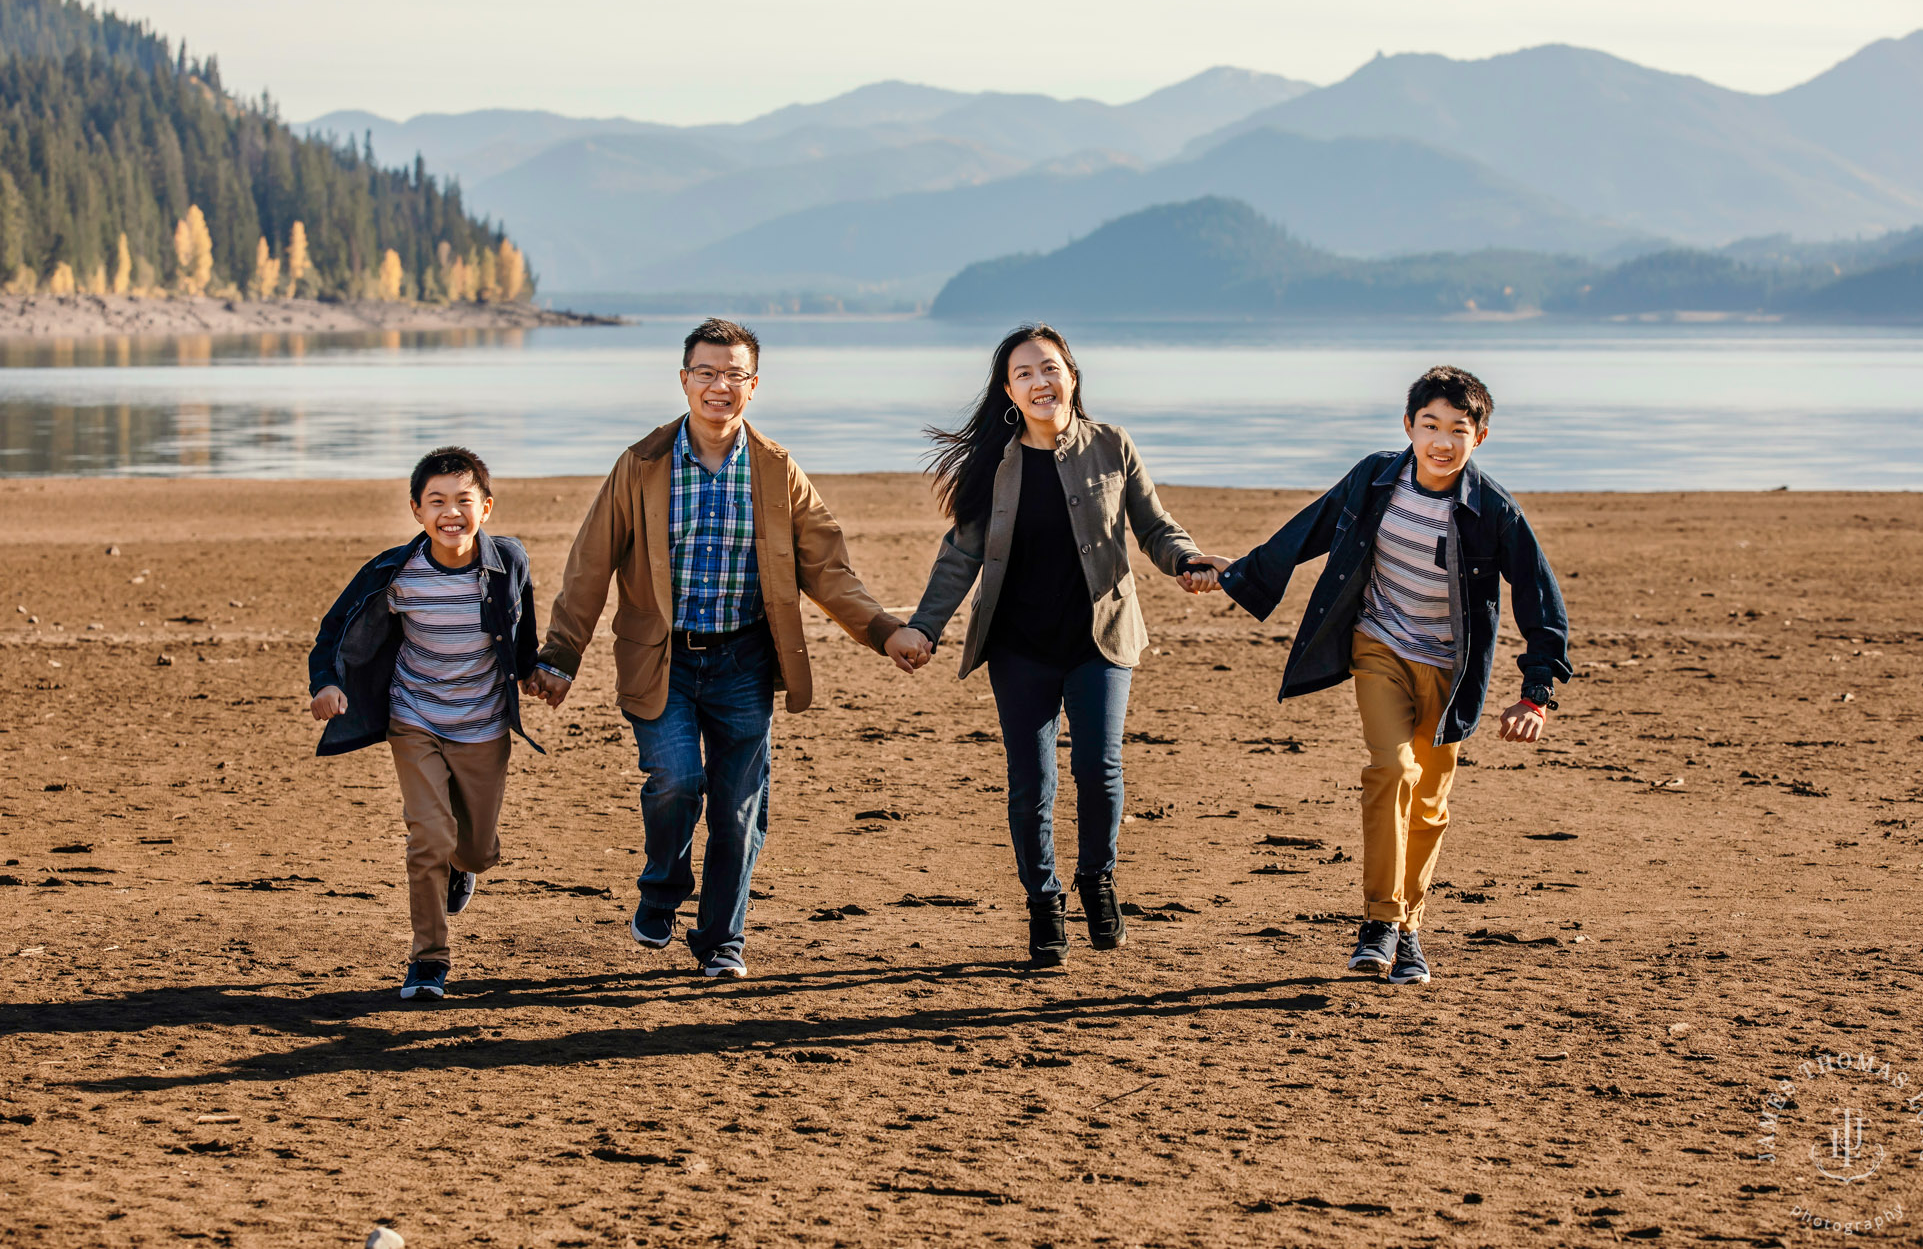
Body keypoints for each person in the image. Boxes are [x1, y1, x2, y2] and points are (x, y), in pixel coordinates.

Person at [527, 318, 928, 980]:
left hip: (745, 661)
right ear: (684, 379)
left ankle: (721, 940)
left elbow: (827, 569)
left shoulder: (776, 470)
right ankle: (663, 887)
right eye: (706, 372)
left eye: (733, 374)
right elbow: (588, 566)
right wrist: (560, 656)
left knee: (740, 810)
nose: (719, 385)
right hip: (663, 661)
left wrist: (885, 630)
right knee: (678, 780)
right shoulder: (641, 465)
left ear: (754, 385)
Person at [1184, 365, 1572, 986]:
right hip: (1379, 646)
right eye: (1430, 426)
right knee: (1392, 769)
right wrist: (1237, 573)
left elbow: (1539, 599)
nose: (1442, 441)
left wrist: (1536, 694)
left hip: (1450, 669)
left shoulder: (1494, 511)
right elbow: (1307, 529)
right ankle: (1380, 923)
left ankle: (1408, 929)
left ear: (1481, 437)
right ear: (1408, 427)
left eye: (1458, 429)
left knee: (1429, 804)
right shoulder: (1375, 477)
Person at [902, 323, 1205, 968]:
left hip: (1100, 638)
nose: (1039, 382)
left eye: (1049, 368)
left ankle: (1097, 879)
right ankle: (1044, 903)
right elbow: (960, 556)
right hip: (1019, 645)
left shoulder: (1112, 446)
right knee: (1031, 781)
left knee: (1099, 770)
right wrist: (926, 627)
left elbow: (1153, 525)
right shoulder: (995, 464)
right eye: (1024, 374)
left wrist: (1184, 560)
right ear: (1009, 391)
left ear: (1071, 374)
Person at [308, 446, 542, 1001]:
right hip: (413, 718)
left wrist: (533, 674)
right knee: (427, 839)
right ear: (416, 510)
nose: (450, 513)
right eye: (436, 501)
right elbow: (334, 629)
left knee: (477, 848)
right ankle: (428, 962)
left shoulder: (508, 562)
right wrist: (327, 682)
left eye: (463, 500)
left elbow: (522, 630)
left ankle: (465, 866)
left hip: (484, 726)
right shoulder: (395, 572)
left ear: (486, 507)